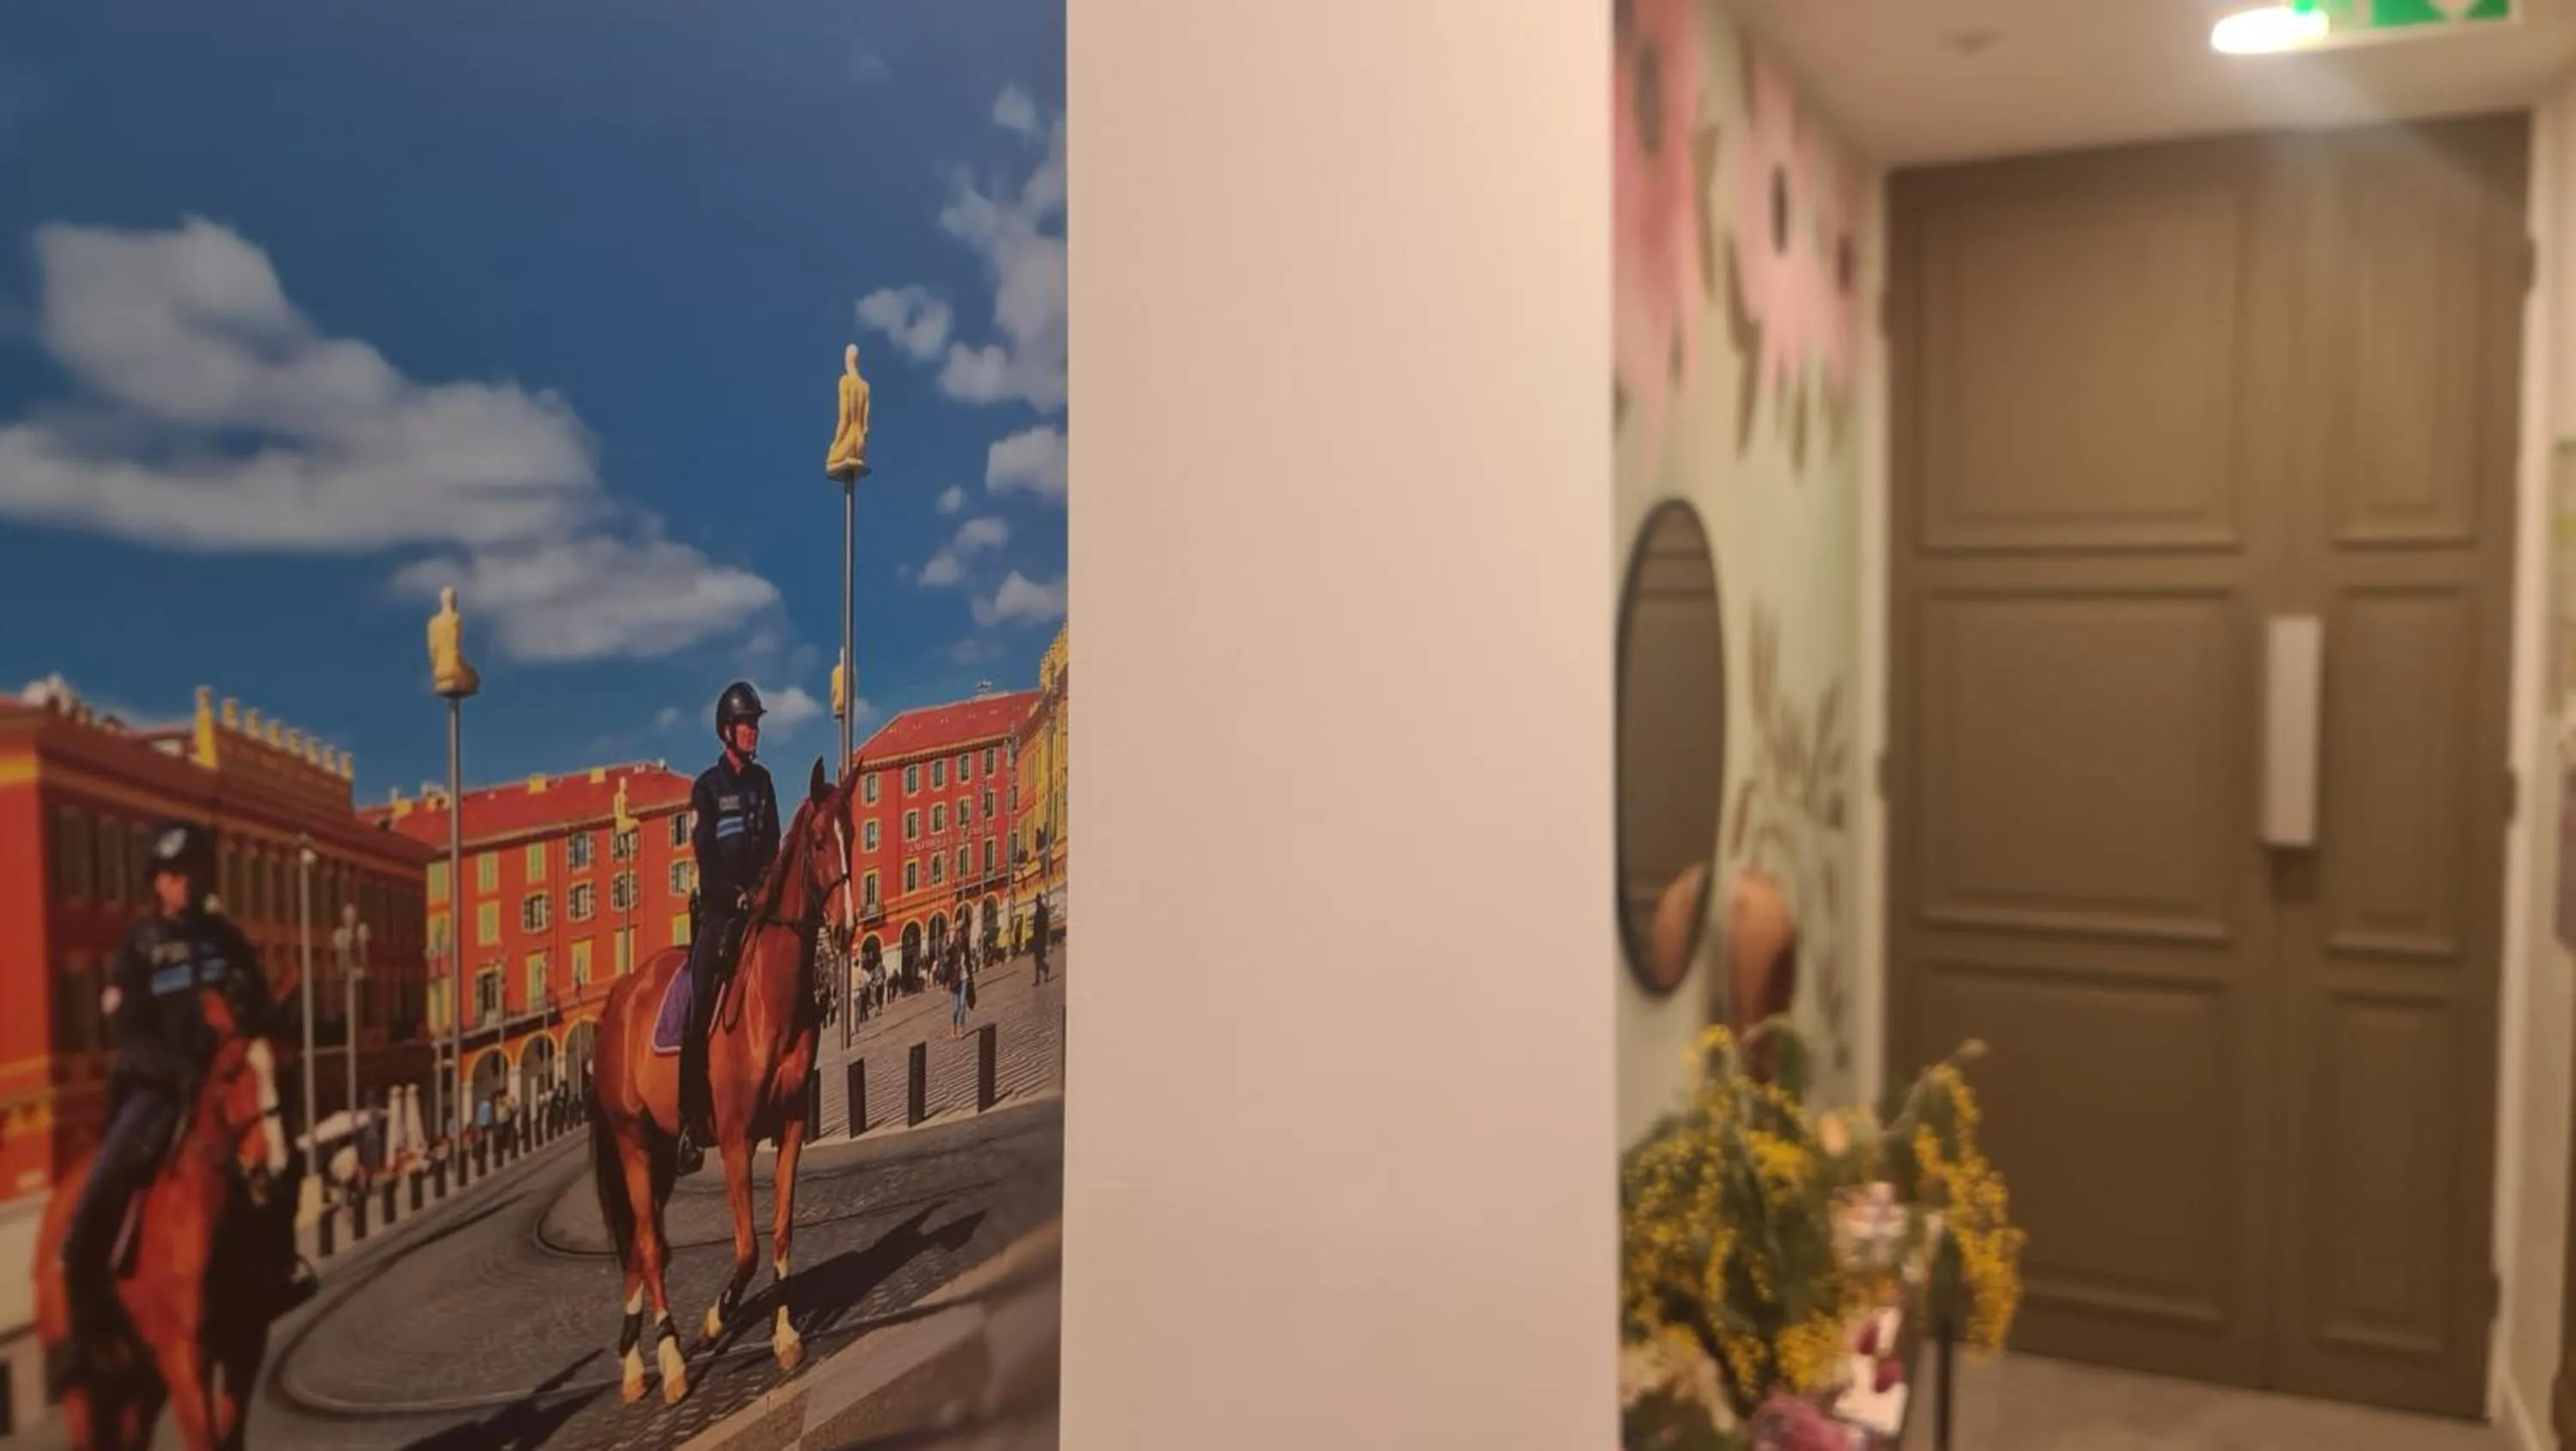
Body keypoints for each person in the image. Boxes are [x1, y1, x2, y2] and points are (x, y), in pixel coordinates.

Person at [52, 823, 316, 1395]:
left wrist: (262, 1029)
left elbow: (256, 1001)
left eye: (193, 869)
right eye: (174, 873)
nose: (185, 881)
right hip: (158, 1085)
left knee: (280, 1155)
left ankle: (279, 1266)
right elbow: (127, 1027)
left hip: (224, 1081)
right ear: (158, 881)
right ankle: (81, 1325)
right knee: (104, 1178)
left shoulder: (225, 938)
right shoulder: (140, 945)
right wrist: (174, 1071)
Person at [676, 681, 780, 1175]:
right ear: (726, 731)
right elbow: (706, 858)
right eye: (747, 724)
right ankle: (687, 1124)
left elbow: (772, 846)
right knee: (696, 1007)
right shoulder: (706, 788)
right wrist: (734, 896)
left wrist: (761, 890)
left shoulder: (764, 783)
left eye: (756, 724)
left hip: (758, 907)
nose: (754, 732)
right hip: (719, 914)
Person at [1031, 895, 1053, 985]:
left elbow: (1045, 925)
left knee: (1038, 959)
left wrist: (1044, 938)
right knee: (1037, 959)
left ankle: (1039, 978)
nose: (1036, 902)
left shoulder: (1042, 910)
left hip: (1040, 938)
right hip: (1038, 938)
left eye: (1037, 900)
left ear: (1039, 900)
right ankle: (1045, 970)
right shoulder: (1040, 910)